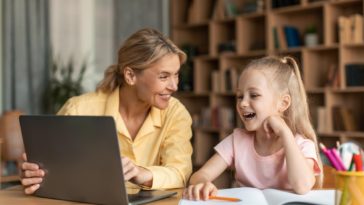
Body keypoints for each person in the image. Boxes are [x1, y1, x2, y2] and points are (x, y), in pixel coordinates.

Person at [20, 28, 193, 194]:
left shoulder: (176, 114)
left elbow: (180, 172)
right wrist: (35, 174)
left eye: (176, 74)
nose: (174, 86)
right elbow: (50, 166)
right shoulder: (79, 110)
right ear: (130, 75)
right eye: (164, 76)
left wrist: (141, 173)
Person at [183, 56, 323, 201]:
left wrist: (285, 133)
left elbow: (302, 186)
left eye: (254, 95)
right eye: (240, 96)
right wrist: (202, 184)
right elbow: (199, 176)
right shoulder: (237, 140)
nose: (243, 103)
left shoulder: (303, 145)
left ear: (283, 103)